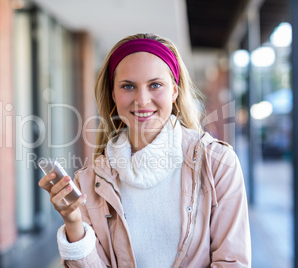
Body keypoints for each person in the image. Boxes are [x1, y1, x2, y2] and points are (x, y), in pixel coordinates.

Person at [39, 33, 251, 267]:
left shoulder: (217, 164)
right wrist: (73, 220)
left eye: (155, 85)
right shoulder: (90, 182)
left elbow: (233, 262)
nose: (141, 100)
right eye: (128, 86)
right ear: (113, 94)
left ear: (174, 91)